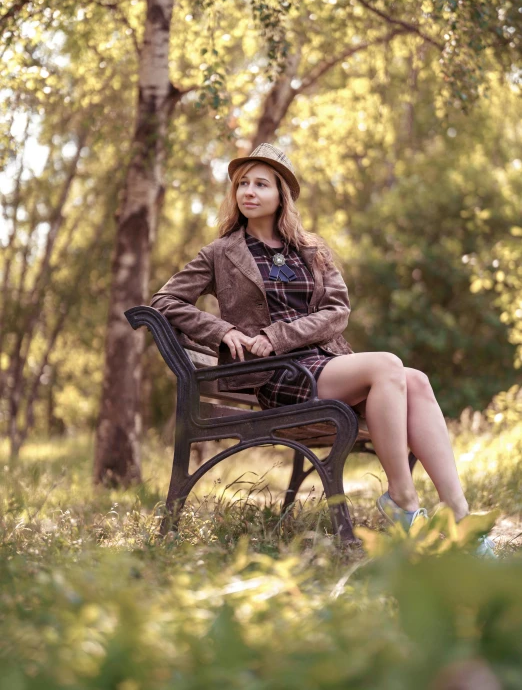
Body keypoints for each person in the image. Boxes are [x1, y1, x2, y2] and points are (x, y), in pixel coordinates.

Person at [150, 143, 495, 557]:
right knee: (388, 366)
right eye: (243, 183)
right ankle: (404, 501)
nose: (249, 191)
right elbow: (164, 301)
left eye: (261, 184)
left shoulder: (311, 250)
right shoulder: (221, 253)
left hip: (317, 362)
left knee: (414, 380)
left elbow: (337, 311)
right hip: (276, 375)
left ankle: (460, 515)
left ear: (282, 195)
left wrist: (279, 334)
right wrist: (223, 331)